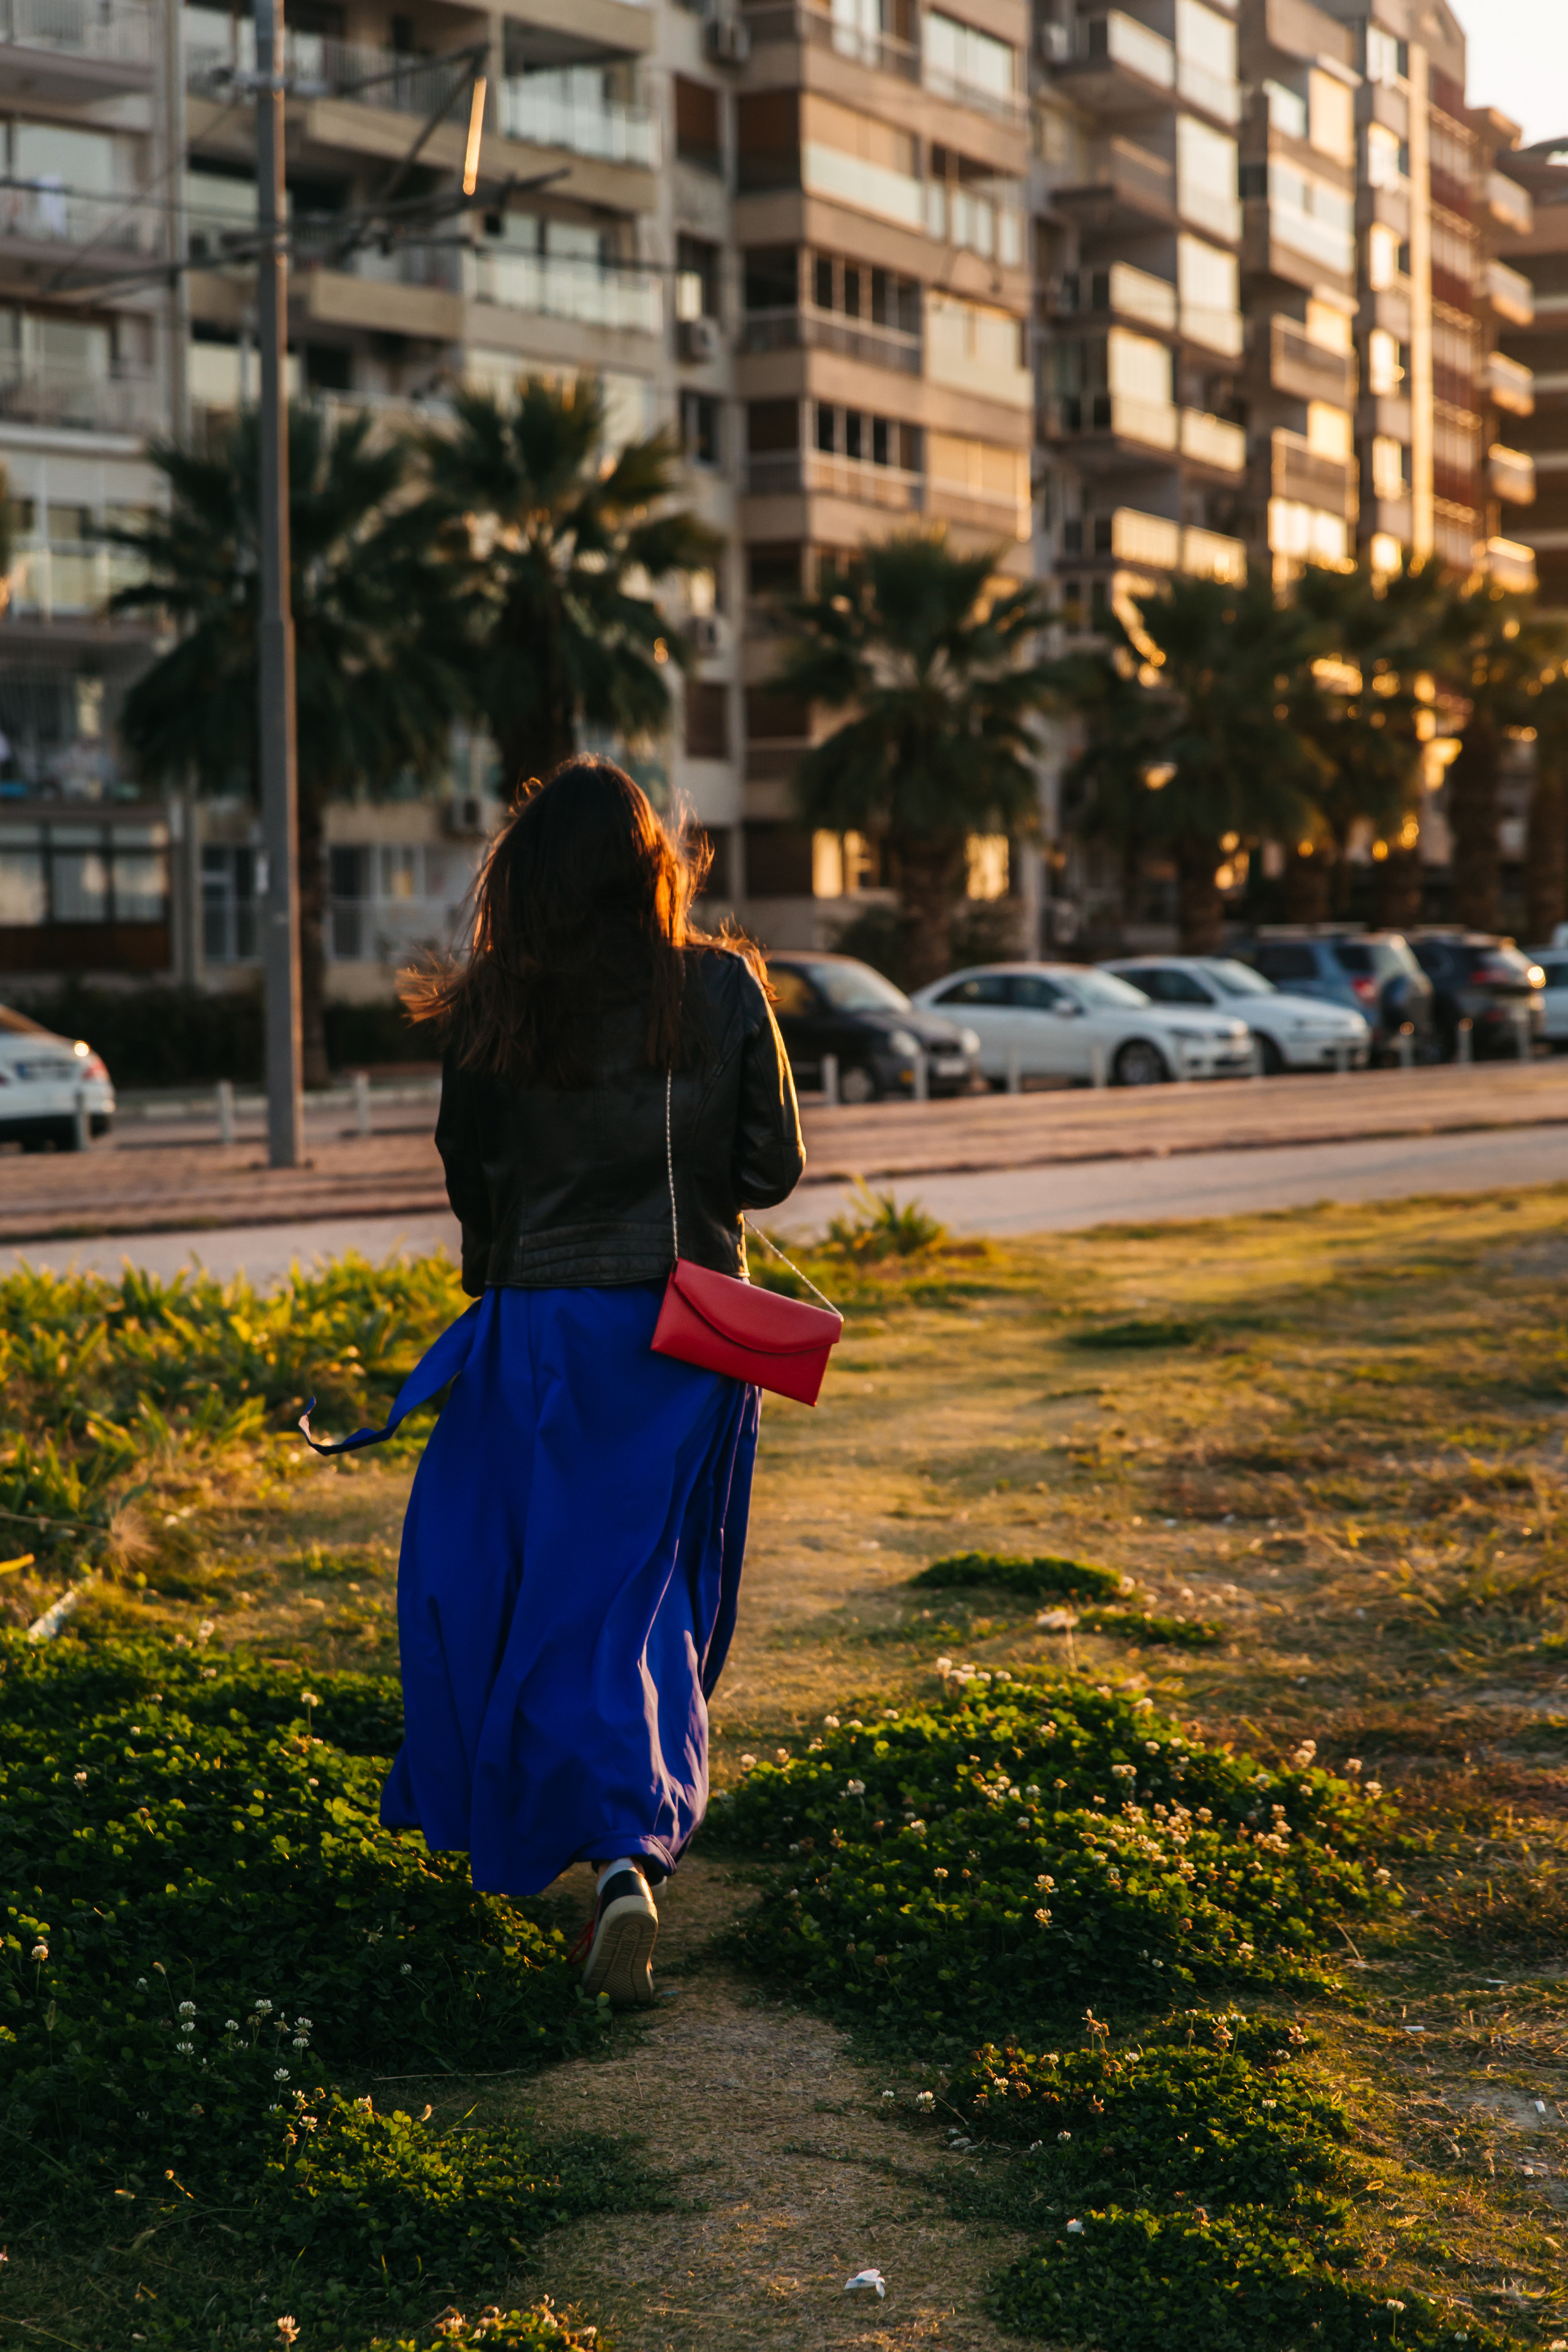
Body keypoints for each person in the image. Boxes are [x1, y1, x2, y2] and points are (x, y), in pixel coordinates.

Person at [390, 755, 804, 2007]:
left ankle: (596, 1837)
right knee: (646, 1587)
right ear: (649, 867)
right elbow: (772, 1167)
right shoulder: (719, 989)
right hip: (682, 1332)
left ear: (519, 876)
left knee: (549, 1590)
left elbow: (475, 1186)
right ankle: (627, 1848)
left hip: (542, 1334)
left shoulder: (490, 1010)